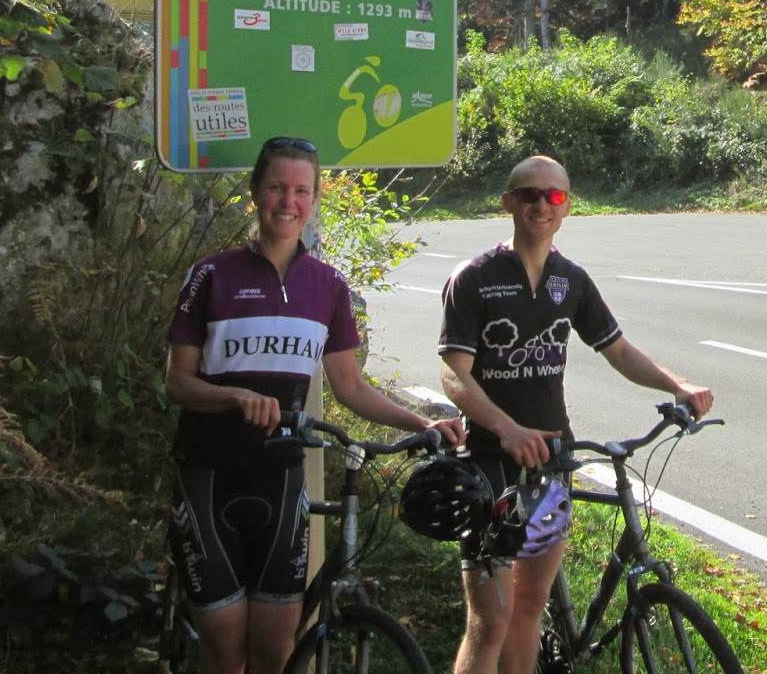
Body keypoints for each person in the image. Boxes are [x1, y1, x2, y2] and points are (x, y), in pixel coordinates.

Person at [165, 136, 465, 674]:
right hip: (208, 475)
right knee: (224, 651)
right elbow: (178, 384)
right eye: (277, 187)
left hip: (281, 479)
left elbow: (350, 386)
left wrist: (422, 422)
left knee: (275, 653)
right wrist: (235, 396)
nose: (288, 202)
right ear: (255, 191)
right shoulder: (211, 275)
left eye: (301, 191)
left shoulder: (328, 286)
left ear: (314, 197)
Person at [438, 155, 714, 674]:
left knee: (528, 608)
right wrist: (506, 429)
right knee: (490, 622)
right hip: (491, 467)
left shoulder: (572, 280)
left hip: (551, 466)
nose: (542, 205)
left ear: (567, 206)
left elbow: (618, 350)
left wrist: (677, 385)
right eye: (529, 194)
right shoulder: (474, 277)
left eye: (555, 196)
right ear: (509, 202)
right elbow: (454, 373)